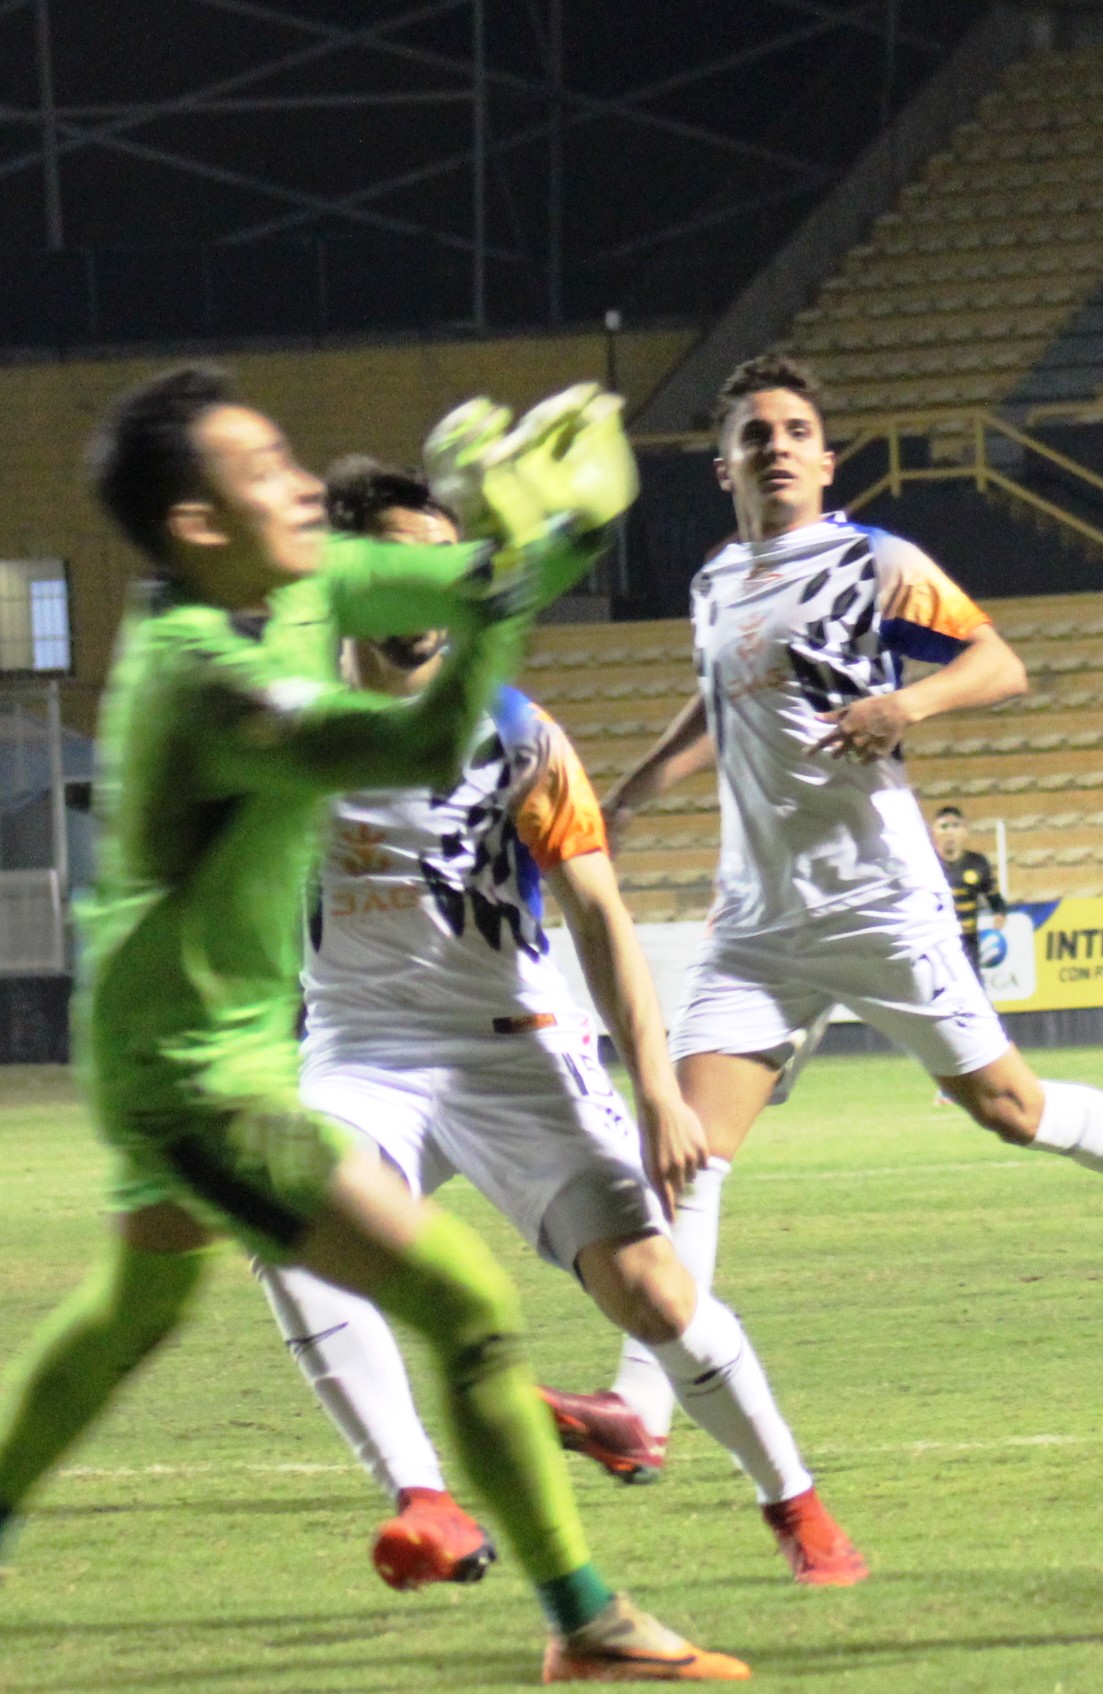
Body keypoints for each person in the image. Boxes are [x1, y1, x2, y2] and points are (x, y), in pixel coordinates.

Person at [0, 365, 749, 1688]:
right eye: (265, 467)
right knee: (463, 1305)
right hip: (195, 1083)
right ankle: (585, 1621)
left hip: (169, 1033)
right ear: (194, 526)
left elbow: (459, 596)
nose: (302, 481)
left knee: (138, 1301)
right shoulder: (201, 681)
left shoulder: (301, 583)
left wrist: (543, 535)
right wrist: (536, 563)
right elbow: (410, 743)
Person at [540, 353, 1103, 1483]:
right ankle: (642, 1404)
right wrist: (632, 791)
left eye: (796, 428)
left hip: (882, 896)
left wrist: (906, 701)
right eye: (755, 432)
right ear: (724, 462)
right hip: (758, 919)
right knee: (683, 1153)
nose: (776, 444)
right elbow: (717, 700)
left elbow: (1000, 660)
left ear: (825, 460)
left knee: (1010, 1108)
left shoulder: (871, 559)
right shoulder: (712, 582)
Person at [252, 458, 863, 1589]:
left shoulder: (515, 735)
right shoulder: (281, 734)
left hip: (522, 1055)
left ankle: (798, 1505)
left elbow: (601, 918)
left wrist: (662, 1093)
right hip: (363, 1060)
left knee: (656, 1295)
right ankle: (423, 1498)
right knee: (283, 1216)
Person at [931, 805, 1007, 981]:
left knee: (973, 989)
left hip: (967, 943)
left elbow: (993, 895)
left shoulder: (977, 863)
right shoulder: (926, 864)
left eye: (955, 826)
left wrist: (1000, 911)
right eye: (943, 827)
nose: (949, 832)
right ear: (934, 831)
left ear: (964, 831)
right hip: (936, 945)